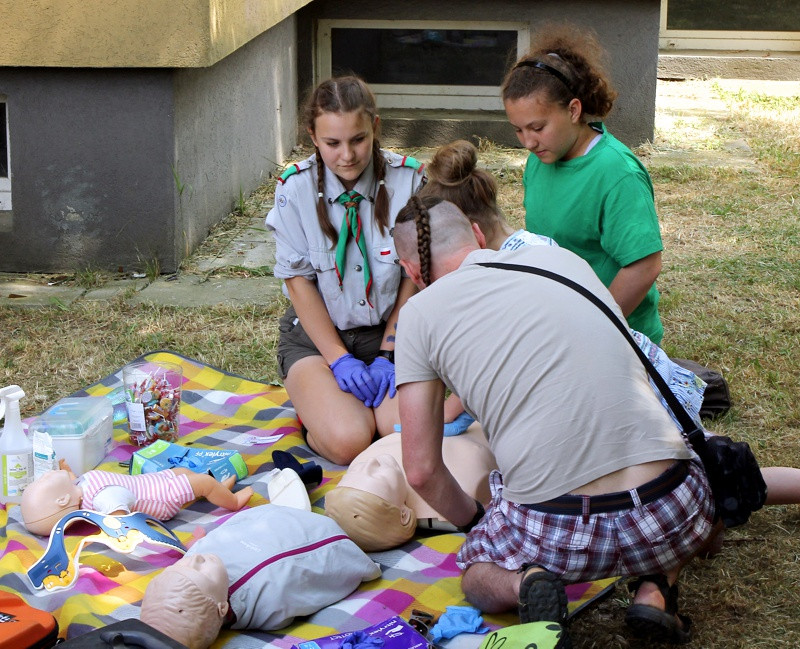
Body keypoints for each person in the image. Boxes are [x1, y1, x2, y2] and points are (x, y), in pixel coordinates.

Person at [421, 138, 800, 517]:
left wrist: (451, 408)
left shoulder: (513, 271)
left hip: (635, 395)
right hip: (613, 389)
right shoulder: (526, 249)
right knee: (701, 483)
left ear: (471, 233)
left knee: (718, 478)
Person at [392, 195, 718, 643]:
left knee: (475, 572)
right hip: (673, 510)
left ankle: (524, 584)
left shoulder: (417, 316)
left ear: (412, 272)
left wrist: (479, 525)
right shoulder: (558, 258)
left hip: (557, 533)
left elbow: (422, 470)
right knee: (692, 456)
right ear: (480, 235)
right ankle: (657, 586)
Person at [265, 75, 426, 465]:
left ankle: (354, 407)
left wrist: (389, 353)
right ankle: (321, 412)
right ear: (312, 136)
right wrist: (338, 359)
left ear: (375, 127)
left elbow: (414, 278)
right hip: (318, 339)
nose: (347, 155)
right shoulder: (295, 189)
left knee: (398, 433)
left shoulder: (410, 180)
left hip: (391, 334)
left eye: (358, 139)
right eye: (332, 143)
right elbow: (298, 283)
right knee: (349, 440)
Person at [502, 26, 664, 344]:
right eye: (518, 130)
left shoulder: (617, 173)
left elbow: (645, 266)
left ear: (573, 110)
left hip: (613, 333)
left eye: (537, 127)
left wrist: (591, 328)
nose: (528, 142)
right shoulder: (541, 159)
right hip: (558, 320)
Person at [140, 505, 380, 648]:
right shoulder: (267, 598)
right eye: (200, 570)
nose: (197, 558)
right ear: (222, 609)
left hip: (268, 518)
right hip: (319, 535)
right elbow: (311, 585)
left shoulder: (203, 560)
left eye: (182, 564)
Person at [325, 426, 497, 551]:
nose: (371, 462)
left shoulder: (364, 460)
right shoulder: (462, 488)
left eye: (355, 471)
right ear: (403, 514)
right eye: (376, 475)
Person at [20, 462, 253, 535]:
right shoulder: (103, 498)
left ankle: (217, 491)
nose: (44, 476)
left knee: (184, 472)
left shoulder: (76, 488)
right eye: (42, 482)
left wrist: (66, 471)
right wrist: (118, 530)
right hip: (161, 498)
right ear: (62, 501)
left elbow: (75, 480)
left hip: (153, 481)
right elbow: (119, 520)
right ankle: (231, 501)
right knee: (202, 482)